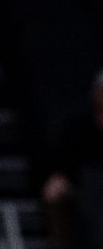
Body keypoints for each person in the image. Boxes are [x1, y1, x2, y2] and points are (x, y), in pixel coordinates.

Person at [41, 68, 103, 249]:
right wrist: (60, 178)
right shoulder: (79, 126)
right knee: (55, 193)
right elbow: (63, 160)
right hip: (85, 188)